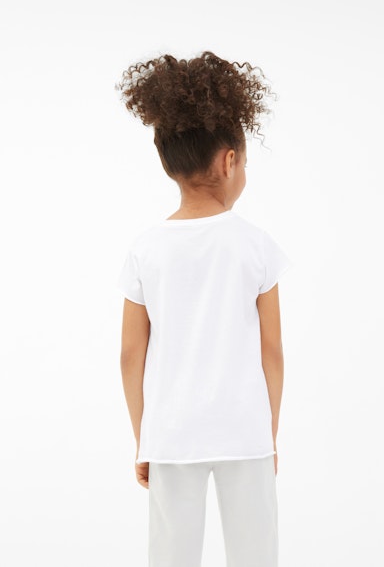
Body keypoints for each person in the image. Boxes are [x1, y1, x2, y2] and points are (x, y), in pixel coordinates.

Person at [115, 50, 293, 567]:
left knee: (170, 556)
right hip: (244, 430)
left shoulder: (145, 250)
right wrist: (268, 433)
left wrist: (144, 438)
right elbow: (272, 351)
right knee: (256, 554)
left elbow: (130, 354)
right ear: (230, 161)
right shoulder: (256, 245)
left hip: (172, 434)